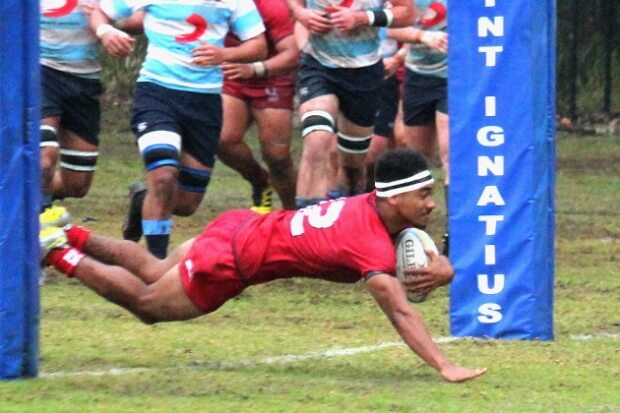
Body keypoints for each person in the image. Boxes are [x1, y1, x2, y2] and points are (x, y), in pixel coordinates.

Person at [39, 148, 487, 383]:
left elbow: (400, 256)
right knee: (148, 304)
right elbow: (401, 307)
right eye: (423, 194)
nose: (431, 204)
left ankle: (65, 229)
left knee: (156, 270)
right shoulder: (368, 242)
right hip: (233, 262)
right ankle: (56, 251)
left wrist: (442, 270)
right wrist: (443, 364)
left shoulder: (373, 208)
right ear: (392, 197)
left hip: (238, 226)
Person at [90, 0, 268, 258]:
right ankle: (156, 264)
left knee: (186, 204)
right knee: (163, 175)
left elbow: (259, 45)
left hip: (204, 102)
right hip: (157, 93)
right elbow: (99, 11)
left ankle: (143, 201)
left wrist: (224, 55)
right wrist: (106, 32)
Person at [286, 0, 415, 208]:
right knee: (317, 140)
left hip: (363, 72)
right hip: (317, 65)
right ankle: (307, 229)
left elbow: (407, 14)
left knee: (352, 167)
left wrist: (361, 18)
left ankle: (349, 215)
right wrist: (301, 13)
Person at [39, 0, 137, 228]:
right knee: (44, 157)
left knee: (77, 184)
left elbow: (140, 16)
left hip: (83, 79)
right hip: (39, 71)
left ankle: (16, 193)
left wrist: (112, 27)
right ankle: (38, 230)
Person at [217, 0, 300, 213]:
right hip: (234, 75)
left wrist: (256, 69)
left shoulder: (270, 6)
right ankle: (260, 182)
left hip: (272, 77)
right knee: (221, 140)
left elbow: (292, 54)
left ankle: (293, 215)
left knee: (277, 158)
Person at [387, 0, 450, 253]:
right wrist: (417, 41)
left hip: (454, 78)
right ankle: (410, 234)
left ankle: (454, 234)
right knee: (416, 159)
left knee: (449, 154)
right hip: (418, 77)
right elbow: (389, 29)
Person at [365, 31, 406, 191]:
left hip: (400, 73)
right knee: (371, 152)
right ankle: (367, 196)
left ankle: (397, 192)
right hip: (366, 70)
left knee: (400, 140)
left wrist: (399, 58)